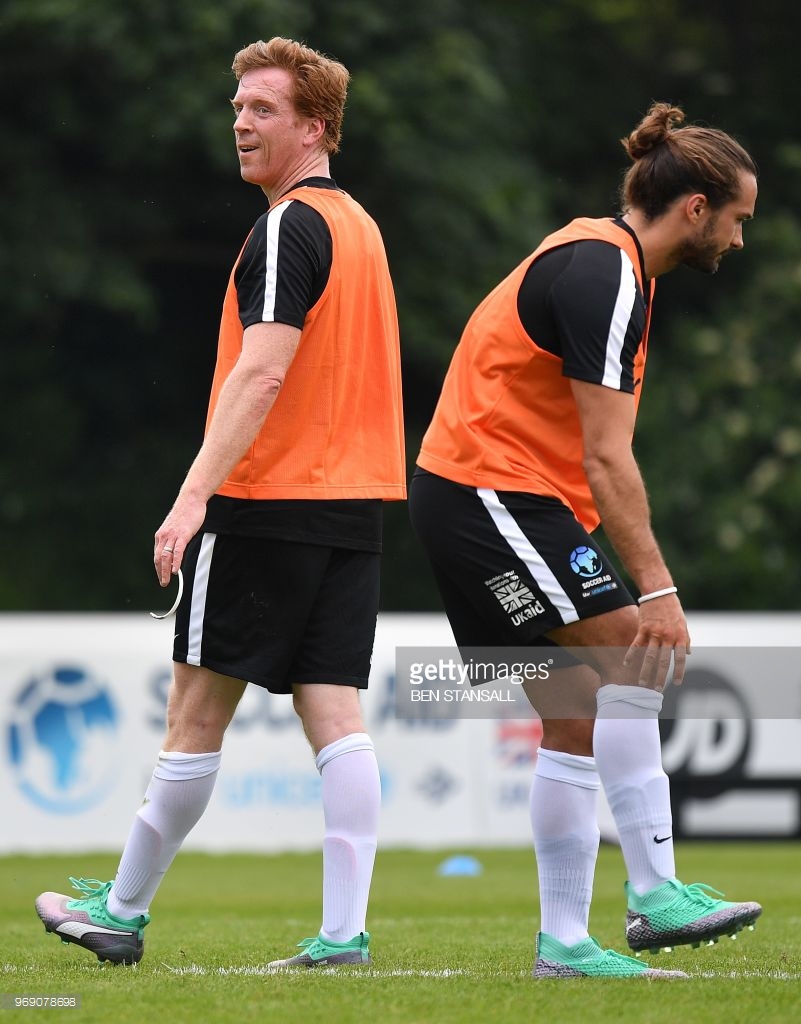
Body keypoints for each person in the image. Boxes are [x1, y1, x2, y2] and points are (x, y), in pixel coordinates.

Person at [35, 37, 406, 968]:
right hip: (353, 502)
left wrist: (194, 492)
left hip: (264, 497)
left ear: (314, 126)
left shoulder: (288, 226)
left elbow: (265, 364)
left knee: (194, 718)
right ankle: (342, 934)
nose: (241, 122)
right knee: (337, 717)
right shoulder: (359, 225)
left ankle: (119, 913)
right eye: (238, 107)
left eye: (264, 110)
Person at [409, 102, 762, 980]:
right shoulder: (603, 274)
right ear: (694, 208)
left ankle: (564, 945)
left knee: (572, 717)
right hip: (490, 495)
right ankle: (653, 894)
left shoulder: (611, 267)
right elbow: (609, 457)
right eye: (738, 218)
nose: (738, 239)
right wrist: (658, 591)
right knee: (631, 659)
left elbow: (594, 455)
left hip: (488, 498)